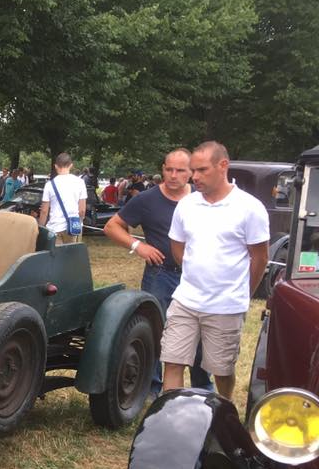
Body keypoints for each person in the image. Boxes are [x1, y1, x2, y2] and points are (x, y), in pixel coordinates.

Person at [159, 141, 270, 400]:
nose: (194, 177)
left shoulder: (249, 208)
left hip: (225, 306)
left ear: (223, 166)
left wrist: (242, 293)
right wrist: (193, 272)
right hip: (185, 300)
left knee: (221, 370)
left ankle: (224, 410)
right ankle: (170, 417)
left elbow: (260, 258)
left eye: (202, 170)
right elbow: (177, 246)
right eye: (193, 171)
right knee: (173, 361)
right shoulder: (187, 205)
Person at [103, 148, 212, 396]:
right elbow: (112, 227)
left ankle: (203, 390)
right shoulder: (146, 199)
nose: (173, 175)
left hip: (196, 277)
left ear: (191, 172)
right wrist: (138, 245)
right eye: (168, 169)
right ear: (162, 169)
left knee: (200, 331)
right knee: (156, 330)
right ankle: (151, 388)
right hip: (160, 275)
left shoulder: (202, 199)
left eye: (180, 170)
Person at [38, 152, 87, 244]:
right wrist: (79, 221)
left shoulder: (49, 185)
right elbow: (82, 210)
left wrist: (40, 228)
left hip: (54, 227)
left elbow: (44, 211)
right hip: (73, 228)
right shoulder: (80, 182)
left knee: (56, 257)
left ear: (56, 166)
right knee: (71, 257)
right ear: (71, 165)